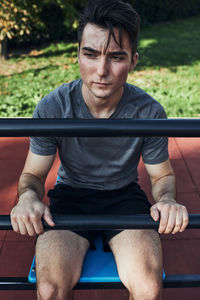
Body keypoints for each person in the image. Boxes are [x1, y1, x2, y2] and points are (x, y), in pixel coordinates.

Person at [10, 1, 189, 299]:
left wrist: (167, 199)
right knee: (50, 289)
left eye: (116, 57)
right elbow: (32, 174)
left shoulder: (148, 112)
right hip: (71, 196)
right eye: (90, 54)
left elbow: (161, 176)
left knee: (148, 289)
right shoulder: (54, 106)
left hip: (124, 197)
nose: (101, 70)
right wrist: (28, 198)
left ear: (133, 61)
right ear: (78, 54)